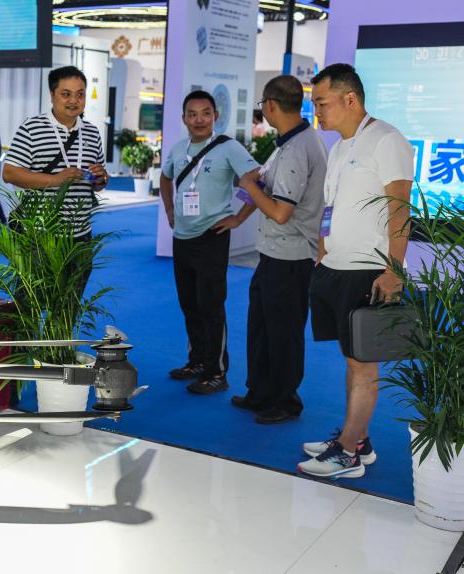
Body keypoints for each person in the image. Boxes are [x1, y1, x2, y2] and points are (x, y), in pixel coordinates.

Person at [297, 63, 413, 479]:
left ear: (350, 99)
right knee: (352, 362)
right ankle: (357, 440)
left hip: (368, 270)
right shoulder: (340, 147)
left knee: (363, 365)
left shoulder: (386, 140)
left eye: (322, 103)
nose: (317, 112)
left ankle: (347, 452)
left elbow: (399, 208)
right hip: (334, 268)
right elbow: (331, 207)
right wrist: (322, 251)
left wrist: (394, 270)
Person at [227, 75, 328, 424]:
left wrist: (248, 184)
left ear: (270, 105)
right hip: (275, 253)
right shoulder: (292, 142)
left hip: (291, 255)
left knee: (283, 332)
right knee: (262, 327)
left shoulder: (298, 148)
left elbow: (281, 212)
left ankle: (285, 401)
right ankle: (261, 392)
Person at [159, 90, 259, 395]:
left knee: (211, 305)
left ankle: (216, 371)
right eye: (192, 114)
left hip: (212, 236)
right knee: (189, 304)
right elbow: (165, 178)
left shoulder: (229, 147)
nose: (199, 119)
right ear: (184, 118)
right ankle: (197, 361)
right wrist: (170, 209)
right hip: (182, 237)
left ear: (215, 116)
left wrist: (238, 218)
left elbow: (257, 179)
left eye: (205, 113)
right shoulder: (179, 149)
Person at [3, 66, 108, 294]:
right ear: (52, 95)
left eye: (80, 94)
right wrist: (56, 180)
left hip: (81, 236)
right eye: (66, 94)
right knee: (30, 302)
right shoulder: (32, 128)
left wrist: (100, 178)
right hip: (40, 236)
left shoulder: (92, 132)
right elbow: (9, 173)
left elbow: (98, 183)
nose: (74, 101)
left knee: (69, 307)